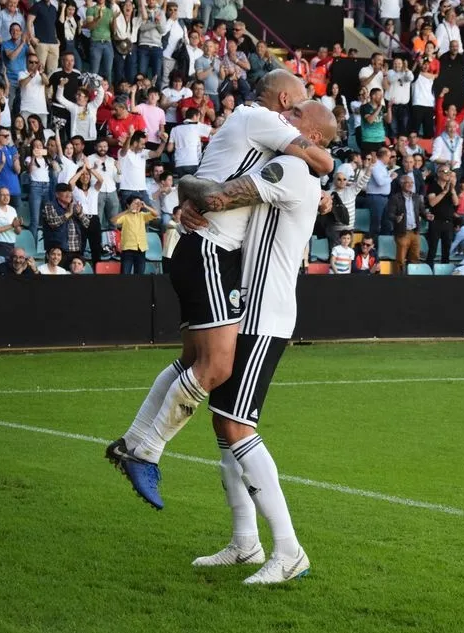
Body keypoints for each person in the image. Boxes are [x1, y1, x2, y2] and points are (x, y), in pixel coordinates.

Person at [105, 73, 333, 512]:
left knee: (192, 361)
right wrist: (194, 195)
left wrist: (189, 192)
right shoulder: (262, 119)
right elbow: (321, 163)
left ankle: (132, 441)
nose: (296, 112)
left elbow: (217, 180)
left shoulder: (258, 135)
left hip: (205, 249)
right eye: (300, 103)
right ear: (285, 100)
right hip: (211, 249)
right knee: (216, 366)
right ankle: (145, 451)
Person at [168, 107, 335, 585]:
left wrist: (188, 192)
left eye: (297, 114)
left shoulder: (292, 166)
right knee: (224, 426)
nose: (287, 115)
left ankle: (288, 550)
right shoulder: (283, 167)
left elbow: (220, 197)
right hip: (250, 311)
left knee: (238, 426)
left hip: (266, 314)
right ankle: (245, 542)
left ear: (311, 134)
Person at [42, 183, 91, 264]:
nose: (69, 194)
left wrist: (80, 214)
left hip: (76, 251)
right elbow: (53, 223)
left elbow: (87, 224)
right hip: (58, 252)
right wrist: (68, 213)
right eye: (65, 191)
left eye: (70, 191)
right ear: (57, 194)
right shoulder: (50, 206)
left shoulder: (75, 207)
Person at [111, 195, 158, 274]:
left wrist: (145, 206)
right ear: (128, 205)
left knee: (139, 276)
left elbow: (156, 214)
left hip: (141, 249)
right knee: (125, 275)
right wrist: (128, 210)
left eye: (139, 204)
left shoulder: (142, 215)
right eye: (135, 204)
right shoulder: (125, 216)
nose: (137, 206)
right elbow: (113, 220)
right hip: (127, 250)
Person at [388, 172, 424, 274]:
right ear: (401, 184)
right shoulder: (395, 198)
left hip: (415, 232)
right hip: (402, 232)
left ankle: (414, 278)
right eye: (407, 182)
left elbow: (422, 211)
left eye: (411, 183)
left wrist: (427, 216)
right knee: (401, 259)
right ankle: (400, 280)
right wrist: (396, 218)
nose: (410, 185)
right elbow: (389, 214)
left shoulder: (416, 197)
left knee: (415, 257)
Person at [424, 166, 458, 265]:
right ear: (438, 173)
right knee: (433, 249)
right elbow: (432, 203)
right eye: (445, 171)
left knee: (446, 250)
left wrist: (452, 190)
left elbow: (456, 203)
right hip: (436, 221)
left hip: (448, 222)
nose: (448, 174)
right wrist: (444, 192)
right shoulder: (433, 186)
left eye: (449, 172)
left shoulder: (450, 186)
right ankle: (429, 270)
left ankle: (445, 272)